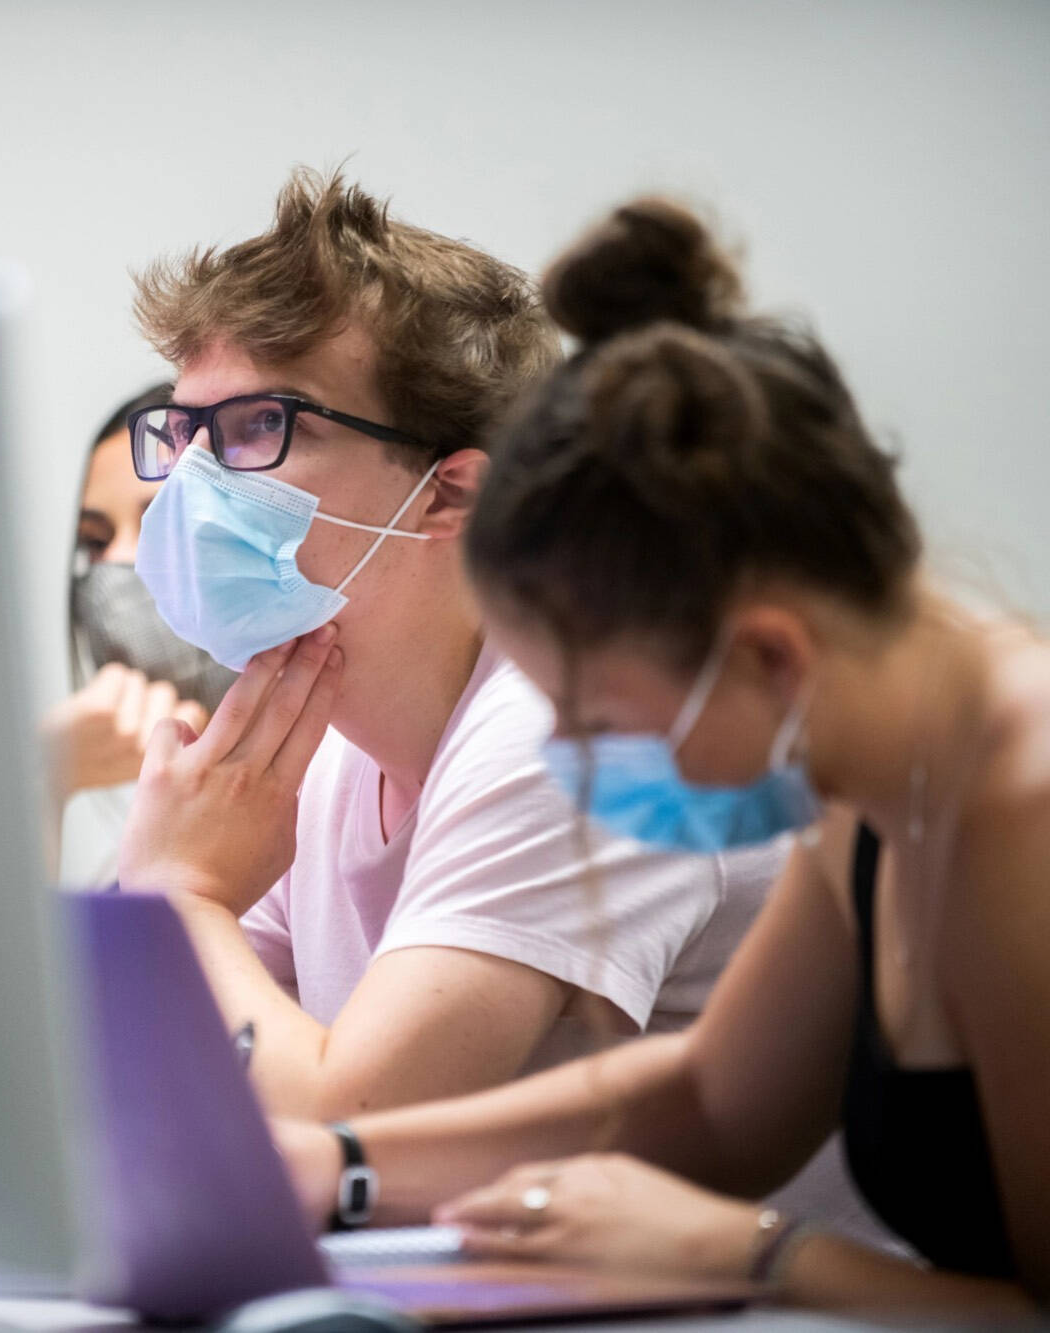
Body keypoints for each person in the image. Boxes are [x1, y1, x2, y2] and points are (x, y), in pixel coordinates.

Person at [273, 198, 1045, 1310]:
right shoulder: (872, 791)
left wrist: (753, 1250)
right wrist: (341, 1165)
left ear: (767, 657)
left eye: (594, 720)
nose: (577, 763)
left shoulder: (1025, 809)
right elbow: (713, 1099)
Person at [115, 168, 787, 1122]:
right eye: (181, 433)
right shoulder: (320, 753)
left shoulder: (577, 728)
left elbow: (356, 1128)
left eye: (260, 425)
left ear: (451, 492)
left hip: (766, 1273)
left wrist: (178, 892)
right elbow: (128, 1090)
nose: (187, 482)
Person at [45, 385, 233, 885]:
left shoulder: (359, 806)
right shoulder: (130, 867)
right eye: (94, 541)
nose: (114, 570)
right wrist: (42, 783)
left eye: (160, 524)